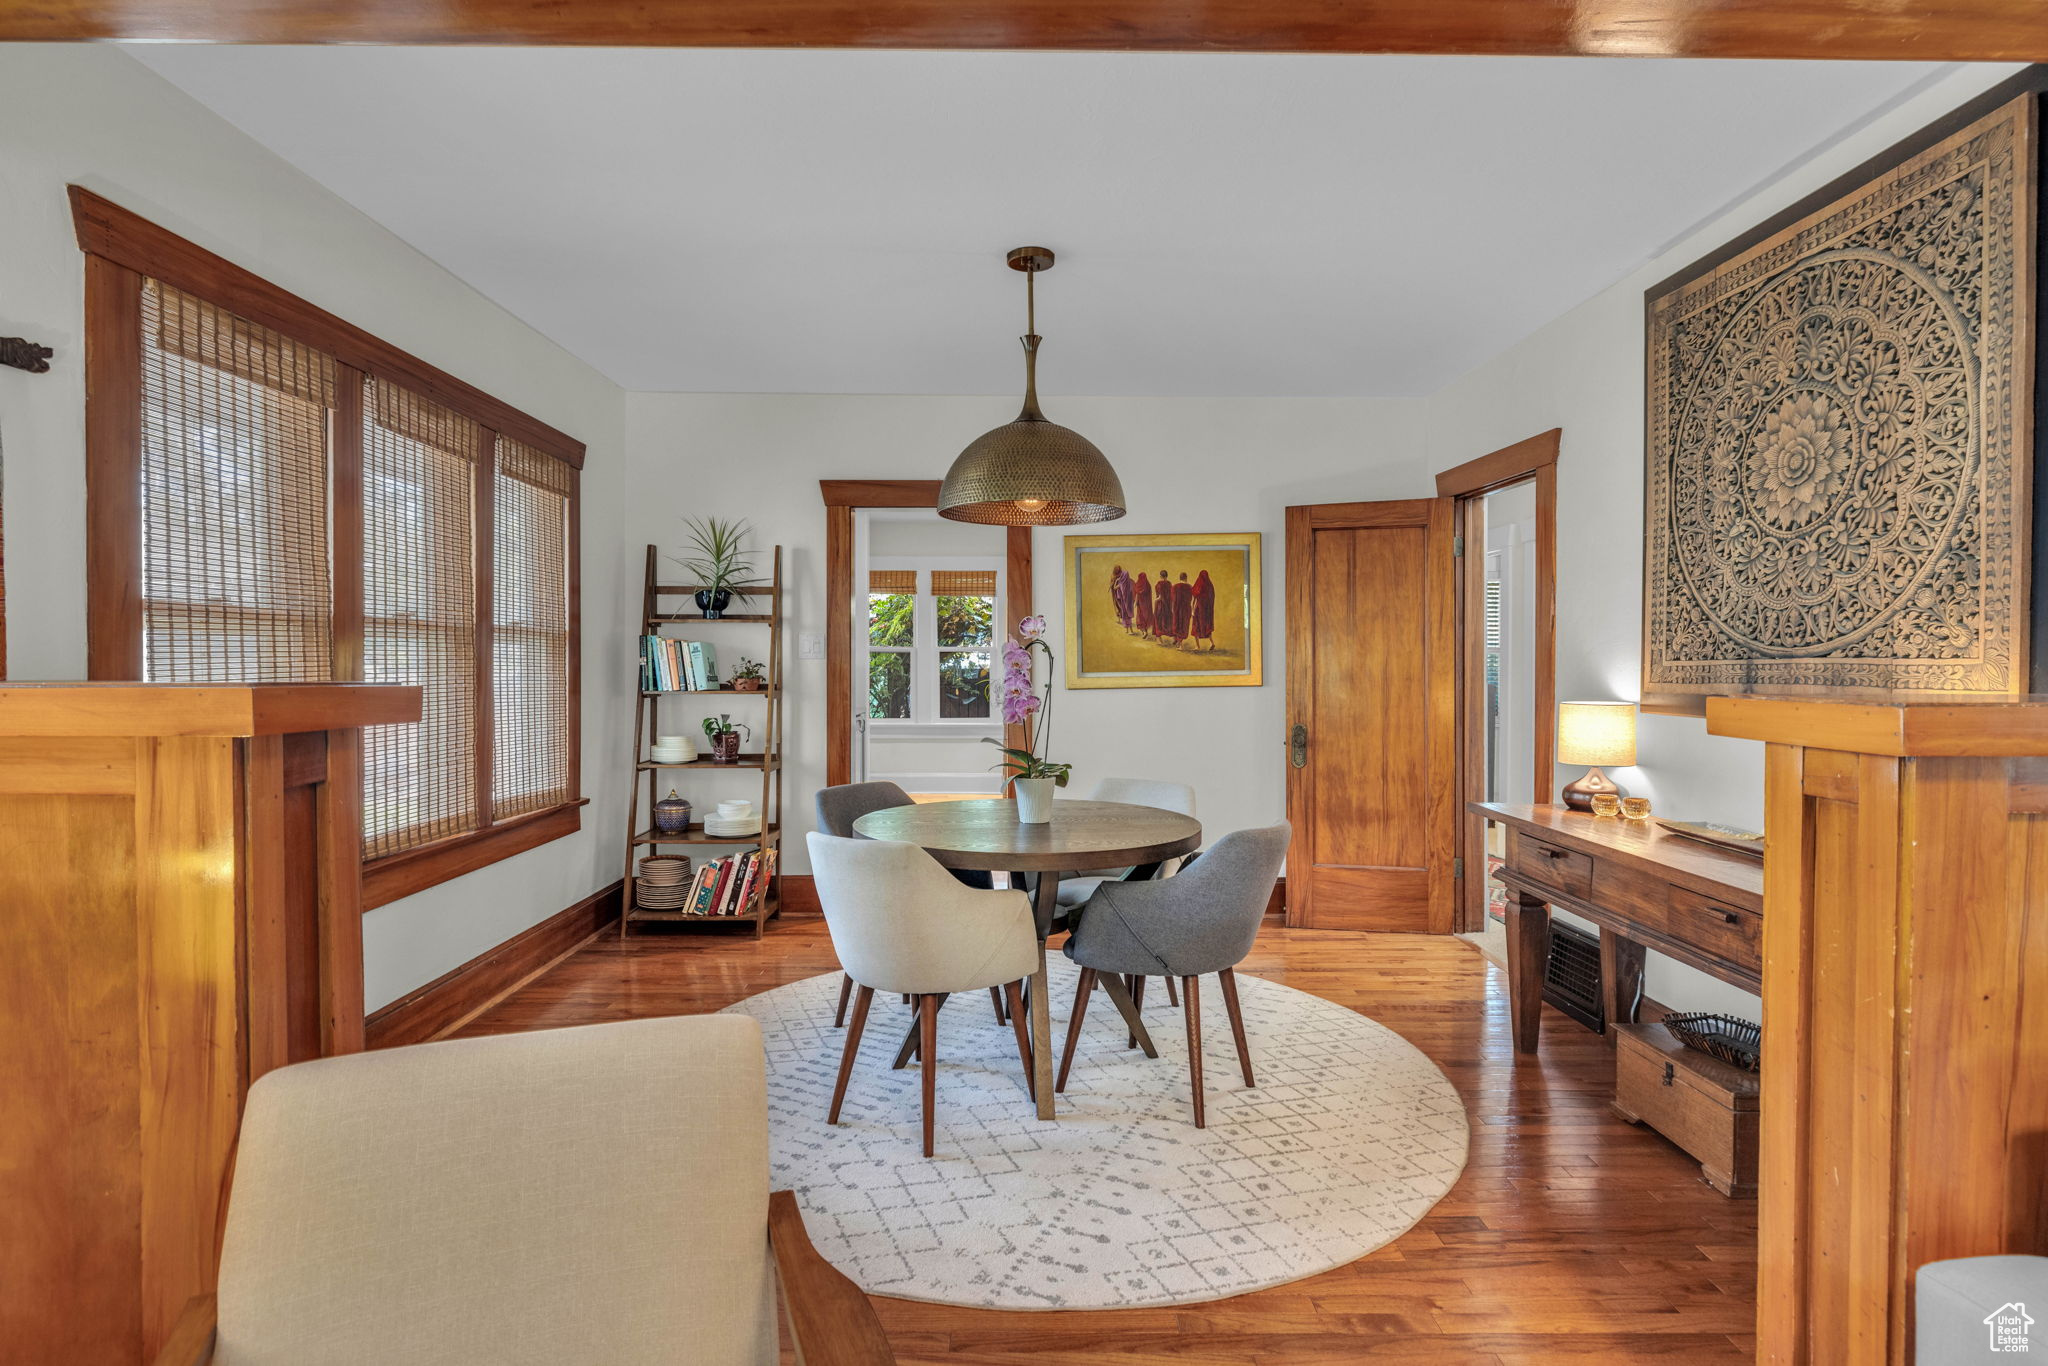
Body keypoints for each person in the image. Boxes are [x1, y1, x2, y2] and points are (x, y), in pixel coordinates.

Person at [1190, 569, 1216, 651]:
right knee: (1207, 627)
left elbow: (1194, 598)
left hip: (1199, 609)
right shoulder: (1210, 586)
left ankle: (1197, 646)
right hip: (1207, 611)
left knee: (1196, 627)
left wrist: (1192, 610)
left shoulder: (1199, 584)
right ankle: (1212, 643)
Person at [1171, 572, 1194, 647]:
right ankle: (1180, 643)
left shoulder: (1174, 587)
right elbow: (1192, 599)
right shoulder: (1190, 587)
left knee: (1176, 623)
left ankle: (1177, 640)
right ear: (1186, 578)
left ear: (1180, 578)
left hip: (1176, 608)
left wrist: (1172, 608)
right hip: (1186, 609)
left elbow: (1172, 599)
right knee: (1184, 625)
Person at [1110, 564, 1133, 632]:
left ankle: (1129, 630)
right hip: (1128, 598)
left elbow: (1114, 587)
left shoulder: (1120, 583)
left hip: (1124, 599)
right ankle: (1129, 630)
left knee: (1125, 613)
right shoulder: (1126, 576)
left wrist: (1117, 581)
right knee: (1127, 614)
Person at [1153, 571, 1174, 642]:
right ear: (1166, 576)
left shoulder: (1159, 584)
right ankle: (1174, 639)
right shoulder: (1169, 584)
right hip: (1168, 606)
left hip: (1160, 606)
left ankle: (1159, 639)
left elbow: (1160, 597)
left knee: (1158, 621)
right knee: (1168, 621)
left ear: (1160, 576)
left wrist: (1155, 601)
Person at [1133, 570, 1152, 636]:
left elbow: (1137, 594)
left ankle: (1144, 632)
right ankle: (1145, 631)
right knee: (1145, 618)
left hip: (1140, 605)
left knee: (1140, 618)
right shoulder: (1148, 585)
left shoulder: (1137, 584)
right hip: (1146, 606)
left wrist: (1135, 603)